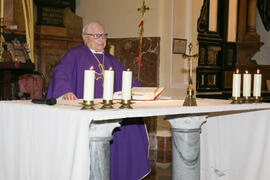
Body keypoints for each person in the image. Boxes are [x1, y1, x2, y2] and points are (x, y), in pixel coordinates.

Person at [46, 22, 150, 180]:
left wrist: (143, 92)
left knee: (132, 128)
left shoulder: (111, 59)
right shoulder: (75, 55)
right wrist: (65, 91)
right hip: (87, 112)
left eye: (104, 35)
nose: (102, 39)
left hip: (111, 112)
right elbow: (61, 73)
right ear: (85, 38)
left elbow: (127, 79)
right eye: (97, 36)